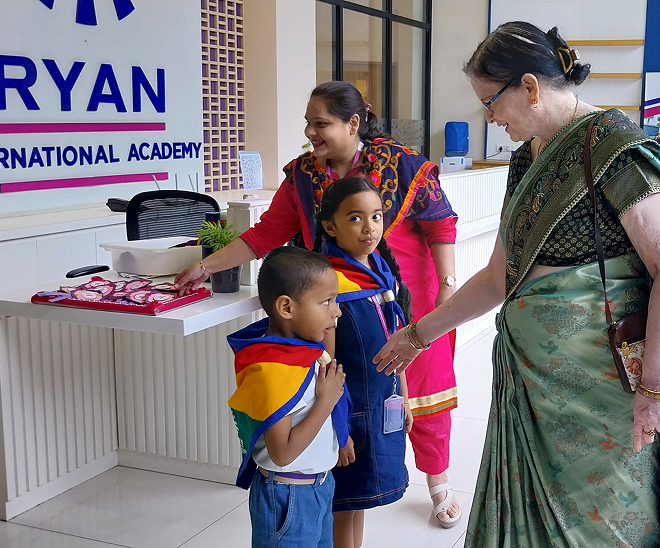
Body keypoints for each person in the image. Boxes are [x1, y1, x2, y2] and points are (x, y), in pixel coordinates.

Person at [375, 21, 660, 548]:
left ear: (529, 87)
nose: (489, 117)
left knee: (607, 525)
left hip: (605, 398)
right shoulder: (528, 158)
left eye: (490, 102)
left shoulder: (617, 151)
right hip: (536, 393)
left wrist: (657, 386)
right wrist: (419, 334)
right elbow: (500, 276)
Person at [175, 82, 463, 526]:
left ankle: (437, 478)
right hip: (337, 304)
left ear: (353, 123)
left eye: (321, 123)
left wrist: (447, 287)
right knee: (354, 392)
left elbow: (440, 224)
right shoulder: (302, 175)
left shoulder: (403, 163)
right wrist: (207, 265)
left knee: (423, 390)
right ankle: (355, 479)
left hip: (408, 299)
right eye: (308, 123)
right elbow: (266, 233)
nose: (310, 132)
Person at [227, 246, 351, 548]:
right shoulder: (272, 369)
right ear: (286, 308)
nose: (336, 311)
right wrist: (326, 402)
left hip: (320, 485)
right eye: (326, 302)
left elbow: (312, 402)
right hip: (287, 495)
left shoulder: (304, 351)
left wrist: (340, 436)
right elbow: (282, 453)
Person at [315, 177, 415, 547]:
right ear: (331, 227)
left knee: (358, 502)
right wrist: (338, 429)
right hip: (349, 410)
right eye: (355, 218)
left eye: (376, 216)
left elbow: (397, 342)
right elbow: (324, 365)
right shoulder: (329, 283)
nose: (370, 227)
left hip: (381, 402)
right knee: (344, 503)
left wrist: (405, 398)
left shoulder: (381, 272)